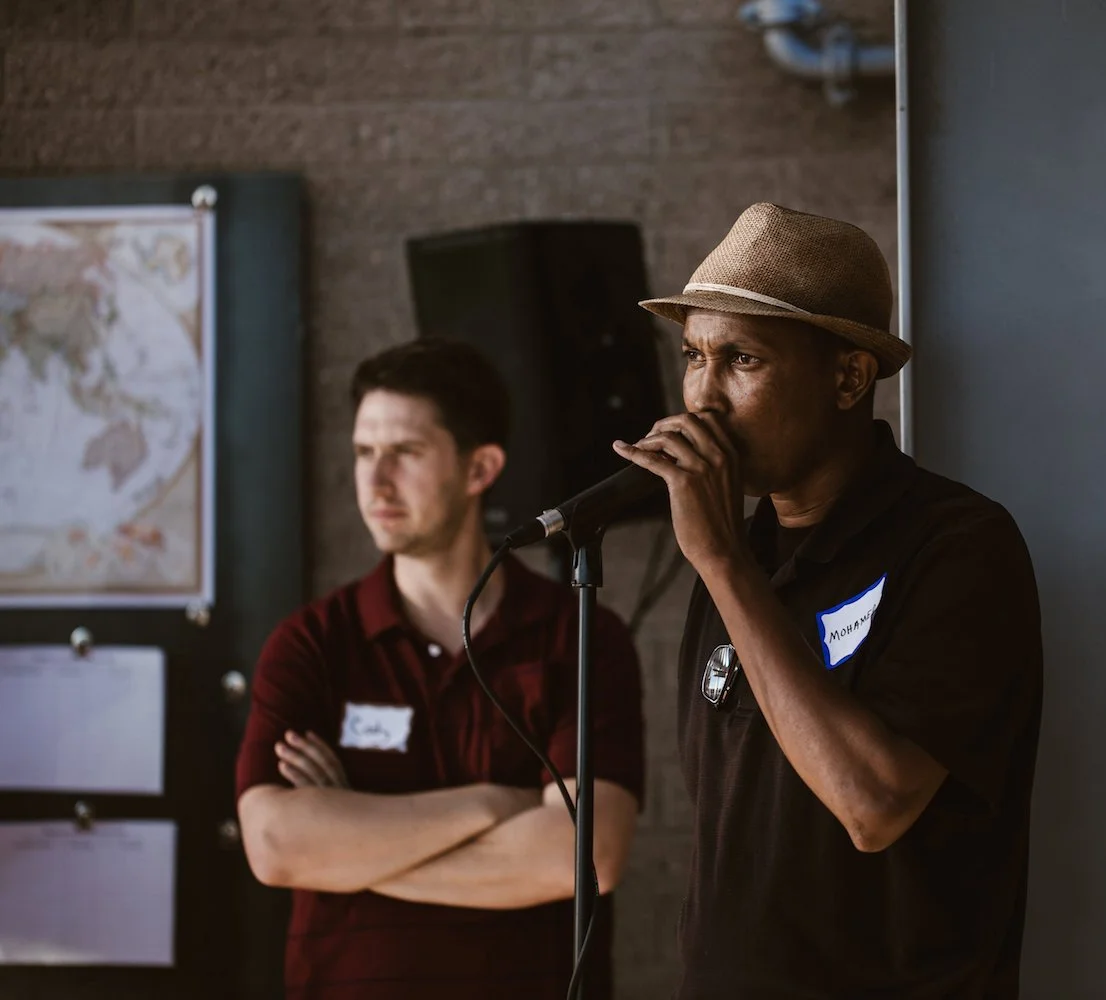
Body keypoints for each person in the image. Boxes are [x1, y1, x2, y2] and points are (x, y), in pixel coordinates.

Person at [614, 202, 1044, 998]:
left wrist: (721, 562)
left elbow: (873, 803)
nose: (702, 399)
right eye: (693, 357)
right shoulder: (739, 554)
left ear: (848, 378)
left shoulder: (957, 546)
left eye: (741, 360)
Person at [235, 338, 645, 999]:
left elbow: (582, 857)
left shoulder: (579, 635)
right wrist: (492, 803)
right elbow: (277, 847)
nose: (375, 481)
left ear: (480, 468)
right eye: (364, 452)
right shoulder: (311, 643)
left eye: (405, 452)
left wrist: (348, 850)